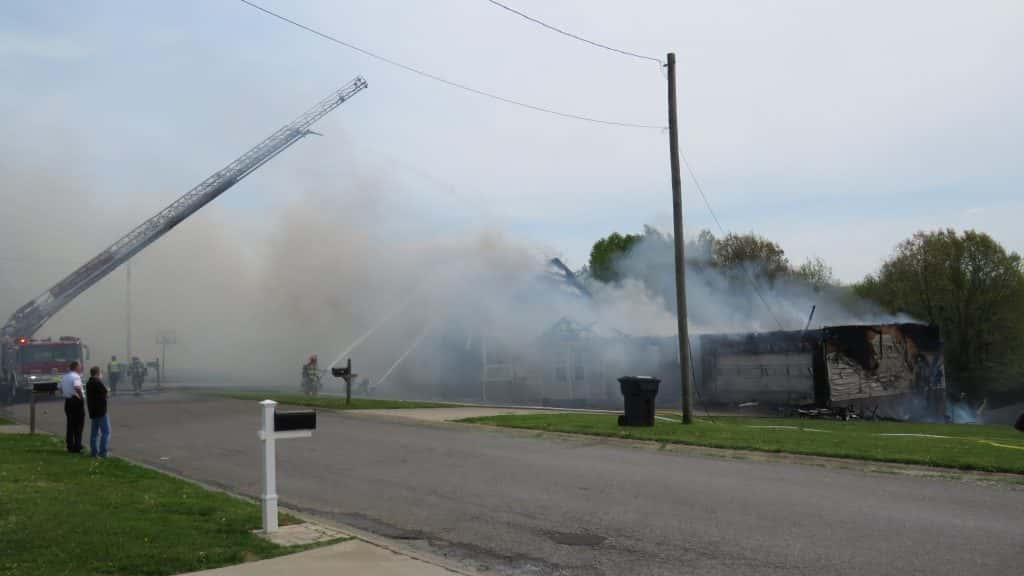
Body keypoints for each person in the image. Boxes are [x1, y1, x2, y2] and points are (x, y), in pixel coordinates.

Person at [59, 361, 85, 453]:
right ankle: (77, 446)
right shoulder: (76, 376)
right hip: (76, 401)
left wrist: (65, 394)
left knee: (70, 424)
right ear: (76, 367)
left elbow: (60, 387)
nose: (80, 368)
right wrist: (81, 397)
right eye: (79, 366)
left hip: (68, 401)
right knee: (78, 425)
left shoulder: (64, 376)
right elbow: (77, 387)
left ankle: (70, 445)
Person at [85, 366, 110, 458]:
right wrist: (108, 391)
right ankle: (103, 452)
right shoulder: (97, 381)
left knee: (94, 433)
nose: (101, 375)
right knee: (106, 432)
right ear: (97, 373)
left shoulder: (89, 382)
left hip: (93, 410)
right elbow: (105, 392)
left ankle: (94, 452)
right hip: (101, 410)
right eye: (101, 373)